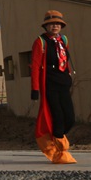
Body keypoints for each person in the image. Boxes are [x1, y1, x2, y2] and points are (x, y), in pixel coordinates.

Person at [30, 10, 77, 164]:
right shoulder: (40, 42)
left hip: (64, 84)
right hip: (50, 85)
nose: (55, 26)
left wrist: (69, 76)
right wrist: (35, 89)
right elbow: (36, 66)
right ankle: (59, 152)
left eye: (57, 23)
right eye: (51, 24)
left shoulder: (64, 40)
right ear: (46, 26)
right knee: (57, 117)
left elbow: (65, 61)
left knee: (69, 118)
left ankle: (56, 142)